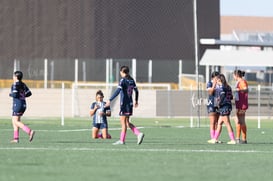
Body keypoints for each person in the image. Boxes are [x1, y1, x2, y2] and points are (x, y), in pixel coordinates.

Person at [106, 65, 144, 145]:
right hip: (130, 104)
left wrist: (110, 99)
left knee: (123, 123)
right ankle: (138, 133)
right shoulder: (131, 80)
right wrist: (136, 100)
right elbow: (136, 91)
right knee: (127, 122)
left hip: (124, 104)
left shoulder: (123, 80)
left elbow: (117, 91)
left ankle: (122, 140)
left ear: (122, 72)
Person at [208, 74, 236, 144]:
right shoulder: (228, 86)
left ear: (219, 80)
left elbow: (222, 96)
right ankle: (215, 139)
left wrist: (219, 103)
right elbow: (231, 96)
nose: (215, 81)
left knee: (227, 123)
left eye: (217, 80)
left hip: (224, 106)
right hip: (227, 106)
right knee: (219, 123)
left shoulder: (222, 87)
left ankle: (233, 140)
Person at [9, 71, 35, 143]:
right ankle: (16, 138)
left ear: (16, 77)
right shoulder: (23, 84)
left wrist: (10, 94)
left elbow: (14, 94)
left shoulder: (15, 85)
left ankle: (29, 131)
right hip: (23, 104)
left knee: (15, 121)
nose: (13, 77)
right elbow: (29, 93)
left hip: (18, 104)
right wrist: (23, 96)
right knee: (16, 121)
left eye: (14, 76)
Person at [233, 69, 248, 144]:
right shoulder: (238, 82)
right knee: (240, 120)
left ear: (236, 75)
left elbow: (246, 89)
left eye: (233, 75)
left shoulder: (242, 81)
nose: (233, 76)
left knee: (239, 120)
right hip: (239, 104)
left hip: (242, 104)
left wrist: (239, 90)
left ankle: (239, 139)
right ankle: (242, 139)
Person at [206, 71, 221, 142]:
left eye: (218, 77)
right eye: (216, 77)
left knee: (217, 122)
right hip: (212, 103)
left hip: (218, 104)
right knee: (212, 121)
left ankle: (216, 138)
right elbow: (210, 92)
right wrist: (214, 84)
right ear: (212, 77)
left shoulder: (220, 84)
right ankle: (212, 138)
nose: (218, 79)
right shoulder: (210, 83)